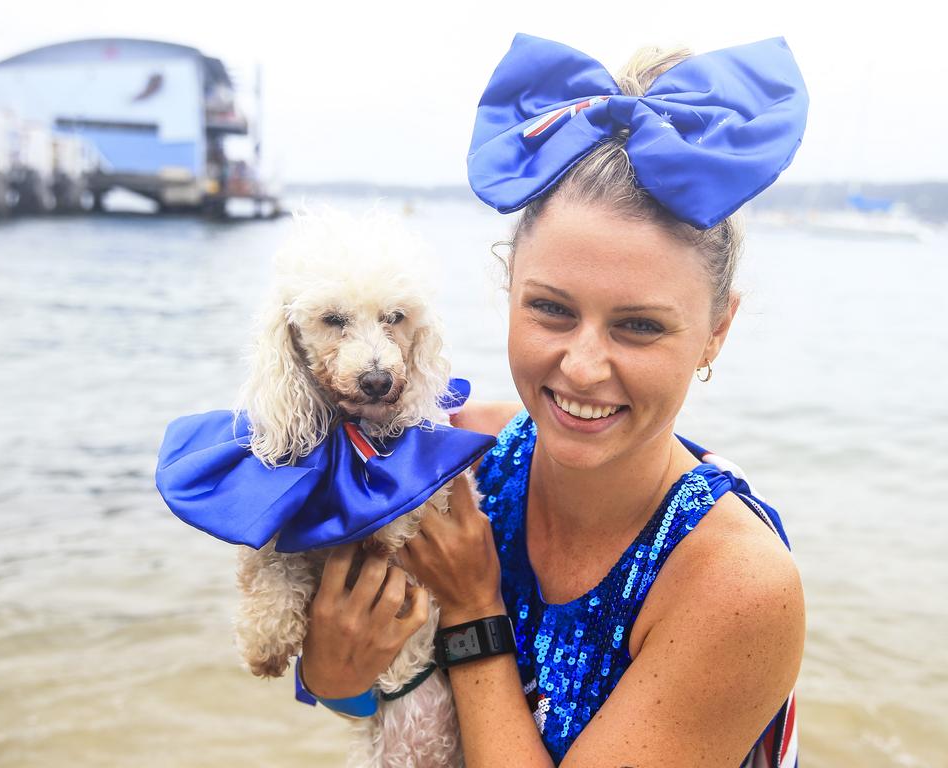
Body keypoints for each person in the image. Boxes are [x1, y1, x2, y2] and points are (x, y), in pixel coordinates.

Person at [299, 33, 808, 767]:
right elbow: (358, 683)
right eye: (551, 309)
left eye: (638, 326)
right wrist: (335, 671)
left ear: (715, 332)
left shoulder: (735, 585)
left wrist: (475, 610)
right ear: (508, 287)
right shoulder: (453, 457)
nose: (582, 365)